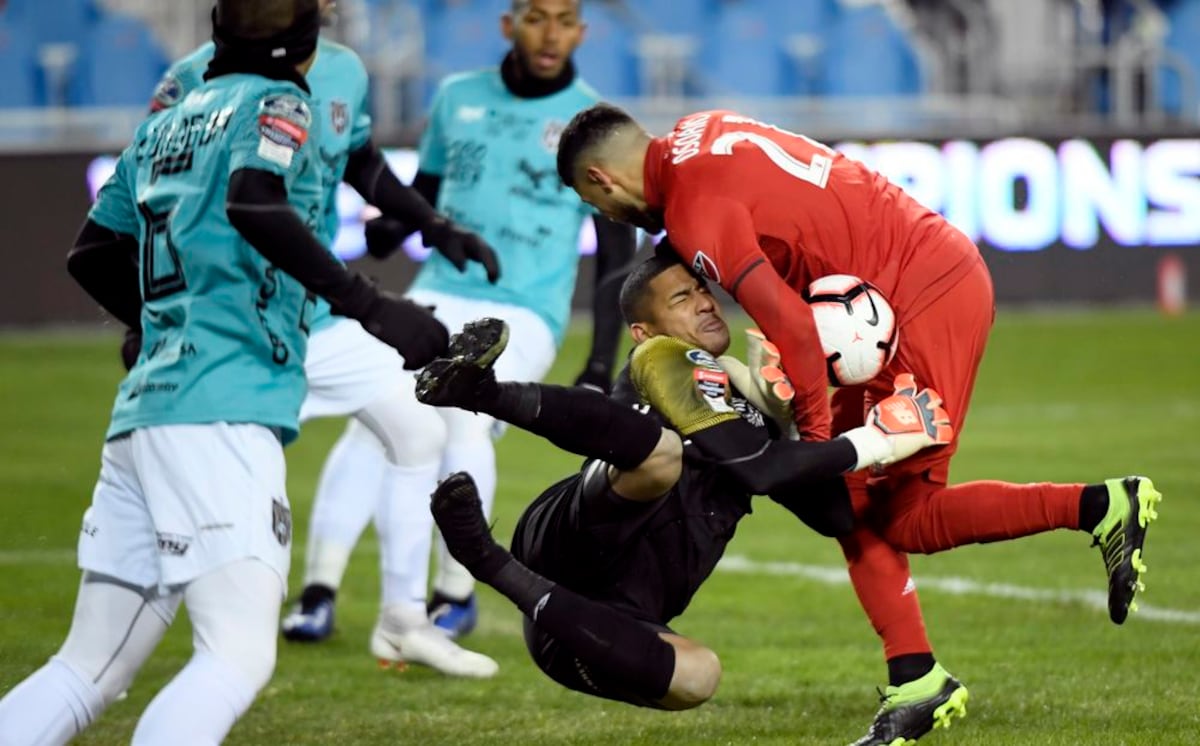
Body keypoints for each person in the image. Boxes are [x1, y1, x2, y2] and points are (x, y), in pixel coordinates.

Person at [554, 104, 1162, 745]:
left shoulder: (692, 207)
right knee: (857, 508)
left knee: (905, 516)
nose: (609, 216)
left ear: (601, 179)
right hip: (880, 295)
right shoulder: (696, 133)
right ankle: (918, 675)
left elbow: (792, 325)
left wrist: (817, 444)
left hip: (914, 298)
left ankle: (1094, 510)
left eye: (598, 205)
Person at [0, 1, 449, 743]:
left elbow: (92, 253)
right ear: (309, 33)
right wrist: (371, 306)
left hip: (146, 413)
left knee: (86, 669)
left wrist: (153, 324)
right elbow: (254, 202)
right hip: (225, 409)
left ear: (216, 22)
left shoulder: (167, 119)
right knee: (234, 658)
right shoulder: (281, 101)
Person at [413, 252, 951, 715]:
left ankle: (488, 553)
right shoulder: (661, 356)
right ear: (644, 331)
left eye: (702, 290)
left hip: (596, 630)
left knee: (699, 677)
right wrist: (873, 442)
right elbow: (757, 468)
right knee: (661, 455)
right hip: (571, 544)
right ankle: (484, 397)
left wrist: (787, 424)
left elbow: (833, 516)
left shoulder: (745, 397)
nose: (705, 303)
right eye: (681, 299)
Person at [146, 0, 500, 677]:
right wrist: (143, 314)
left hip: (316, 310)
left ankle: (402, 621)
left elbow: (361, 162)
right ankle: (166, 624)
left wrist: (433, 224)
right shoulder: (191, 80)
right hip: (230, 321)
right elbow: (152, 196)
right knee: (211, 482)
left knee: (419, 430)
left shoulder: (343, 69)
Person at [284, 0, 638, 646]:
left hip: (525, 309)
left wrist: (597, 364)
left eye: (564, 19)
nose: (550, 32)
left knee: (463, 417)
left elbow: (617, 255)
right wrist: (394, 227)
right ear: (508, 25)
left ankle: (455, 591)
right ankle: (318, 593)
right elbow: (425, 192)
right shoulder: (456, 98)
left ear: (582, 32)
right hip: (439, 291)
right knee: (376, 421)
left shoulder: (593, 124)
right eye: (536, 16)